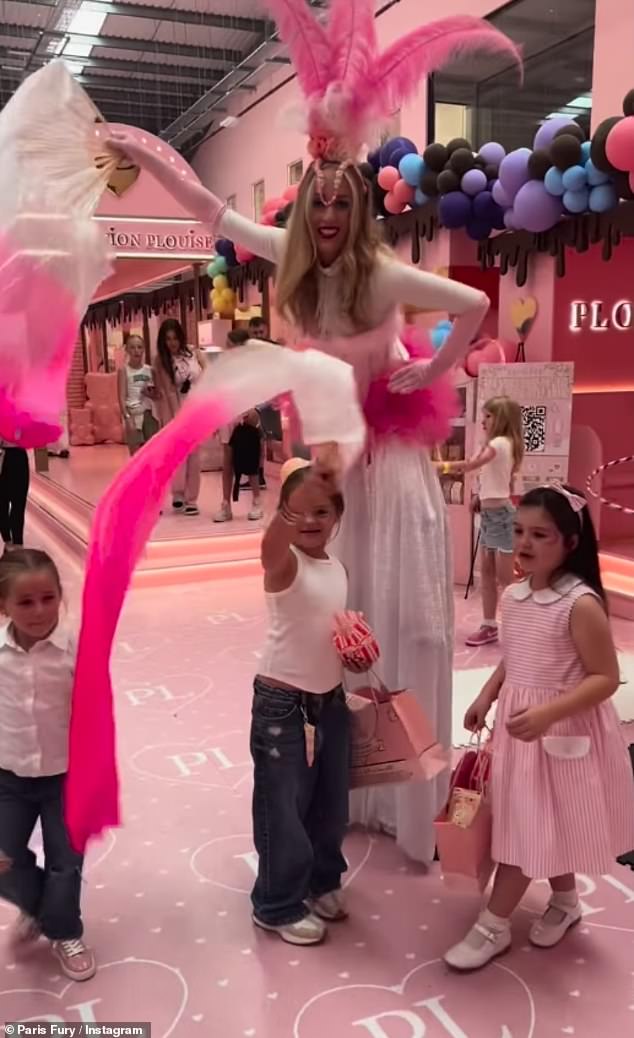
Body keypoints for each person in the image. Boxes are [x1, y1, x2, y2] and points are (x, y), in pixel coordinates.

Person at [107, 8, 519, 863]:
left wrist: (428, 375)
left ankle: (413, 803)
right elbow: (213, 211)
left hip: (391, 471)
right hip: (331, 482)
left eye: (341, 202)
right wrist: (148, 149)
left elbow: (477, 305)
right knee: (339, 630)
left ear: (359, 210)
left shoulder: (385, 274)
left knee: (406, 623)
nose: (328, 213)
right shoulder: (289, 258)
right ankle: (354, 799)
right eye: (319, 201)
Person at [444, 484, 634, 971]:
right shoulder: (515, 595)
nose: (525, 544)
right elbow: (516, 658)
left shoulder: (580, 604)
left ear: (570, 543)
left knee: (528, 828)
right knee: (548, 820)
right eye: (520, 532)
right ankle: (567, 901)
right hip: (520, 732)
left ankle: (494, 924)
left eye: (541, 535)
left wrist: (550, 713)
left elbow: (606, 678)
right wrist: (487, 695)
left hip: (561, 733)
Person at [252, 456, 362, 945]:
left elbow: (327, 631)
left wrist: (354, 653)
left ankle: (321, 880)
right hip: (283, 703)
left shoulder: (335, 566)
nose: (310, 522)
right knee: (284, 805)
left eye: (321, 512)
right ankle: (275, 903)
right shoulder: (285, 561)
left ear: (337, 516)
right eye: (297, 514)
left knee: (330, 802)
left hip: (330, 699)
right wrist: (286, 518)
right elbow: (270, 547)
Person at [0, 549, 96, 980]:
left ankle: (63, 928)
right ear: (3, 606)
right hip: (8, 775)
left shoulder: (76, 648)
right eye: (25, 602)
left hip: (66, 776)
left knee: (65, 862)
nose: (40, 611)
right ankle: (41, 908)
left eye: (48, 598)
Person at [444, 396, 524, 646]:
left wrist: (437, 465)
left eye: (488, 416)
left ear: (501, 418)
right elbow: (491, 477)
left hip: (500, 516)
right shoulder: (499, 444)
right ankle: (490, 625)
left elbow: (470, 465)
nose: (483, 421)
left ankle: (518, 627)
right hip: (491, 514)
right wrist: (480, 495)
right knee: (487, 574)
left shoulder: (500, 443)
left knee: (504, 578)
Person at [153, 318, 205, 516]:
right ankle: (178, 494)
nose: (172, 342)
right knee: (177, 456)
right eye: (168, 339)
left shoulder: (194, 353)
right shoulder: (160, 361)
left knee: (194, 456)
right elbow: (162, 392)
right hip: (174, 412)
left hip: (196, 410)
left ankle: (192, 498)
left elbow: (207, 375)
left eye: (175, 338)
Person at [215, 330, 263, 522]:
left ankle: (257, 501)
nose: (229, 349)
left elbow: (262, 392)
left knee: (249, 461)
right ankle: (225, 504)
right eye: (228, 345)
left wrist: (256, 411)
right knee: (227, 461)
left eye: (232, 345)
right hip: (227, 416)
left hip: (246, 416)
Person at [117, 334, 158, 456]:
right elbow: (121, 397)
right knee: (136, 454)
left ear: (144, 349)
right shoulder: (124, 370)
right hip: (133, 413)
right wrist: (127, 418)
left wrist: (149, 393)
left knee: (151, 452)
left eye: (139, 347)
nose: (136, 351)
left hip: (149, 413)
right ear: (127, 350)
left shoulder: (150, 370)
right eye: (133, 347)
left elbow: (158, 395)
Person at [0, 443, 30, 551]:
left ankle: (14, 541)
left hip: (15, 457)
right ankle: (13, 541)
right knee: (12, 504)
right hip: (13, 458)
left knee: (15, 504)